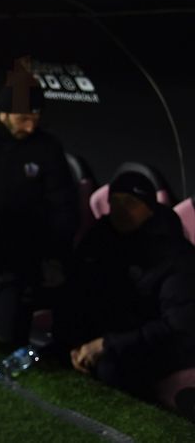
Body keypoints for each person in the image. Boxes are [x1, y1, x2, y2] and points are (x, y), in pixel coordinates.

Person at [56, 171, 195, 419]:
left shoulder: (175, 254)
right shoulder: (101, 235)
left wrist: (107, 344)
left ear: (149, 207)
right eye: (115, 202)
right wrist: (80, 339)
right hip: (119, 331)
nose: (121, 210)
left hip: (164, 342)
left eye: (130, 203)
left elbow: (177, 325)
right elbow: (79, 288)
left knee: (111, 368)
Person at [0, 80, 79, 346]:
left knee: (9, 338)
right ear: (3, 113)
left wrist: (54, 257)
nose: (31, 126)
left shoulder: (47, 149)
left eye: (36, 117)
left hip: (21, 264)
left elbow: (63, 207)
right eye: (23, 118)